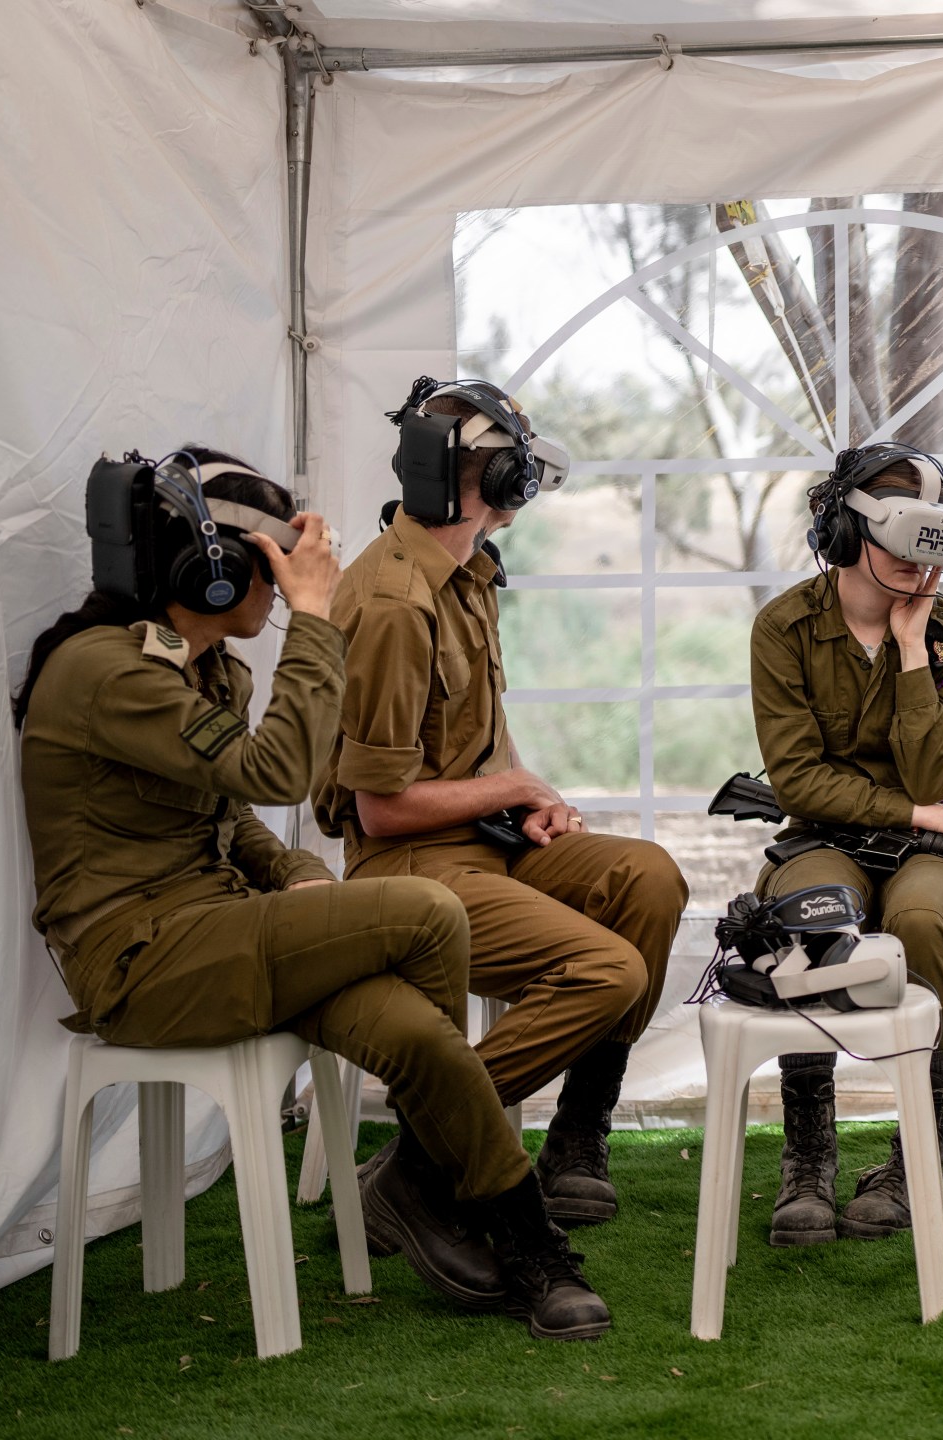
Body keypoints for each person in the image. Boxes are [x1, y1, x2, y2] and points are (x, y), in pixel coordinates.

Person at [17, 448, 606, 1340]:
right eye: (282, 561)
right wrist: (317, 616)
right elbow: (278, 773)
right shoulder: (110, 670)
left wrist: (293, 875)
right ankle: (450, 1199)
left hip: (220, 929)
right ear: (214, 569)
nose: (299, 577)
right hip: (141, 963)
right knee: (428, 911)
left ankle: (499, 1230)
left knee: (415, 1035)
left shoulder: (198, 662)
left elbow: (223, 815)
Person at [316, 379, 688, 1241]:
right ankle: (428, 1158)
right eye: (519, 469)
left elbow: (481, 730)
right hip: (409, 867)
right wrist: (513, 792)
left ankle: (576, 1141)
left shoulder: (467, 569)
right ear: (497, 481)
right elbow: (378, 810)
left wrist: (533, 798)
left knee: (649, 879)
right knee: (610, 972)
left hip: (484, 843)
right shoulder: (393, 602)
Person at [749, 443, 943, 1246]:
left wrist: (910, 651)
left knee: (925, 917)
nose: (916, 564)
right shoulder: (783, 627)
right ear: (841, 530)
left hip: (935, 859)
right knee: (812, 915)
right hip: (827, 838)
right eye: (897, 538)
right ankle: (808, 1154)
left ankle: (912, 1150)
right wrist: (925, 816)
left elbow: (939, 770)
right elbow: (800, 785)